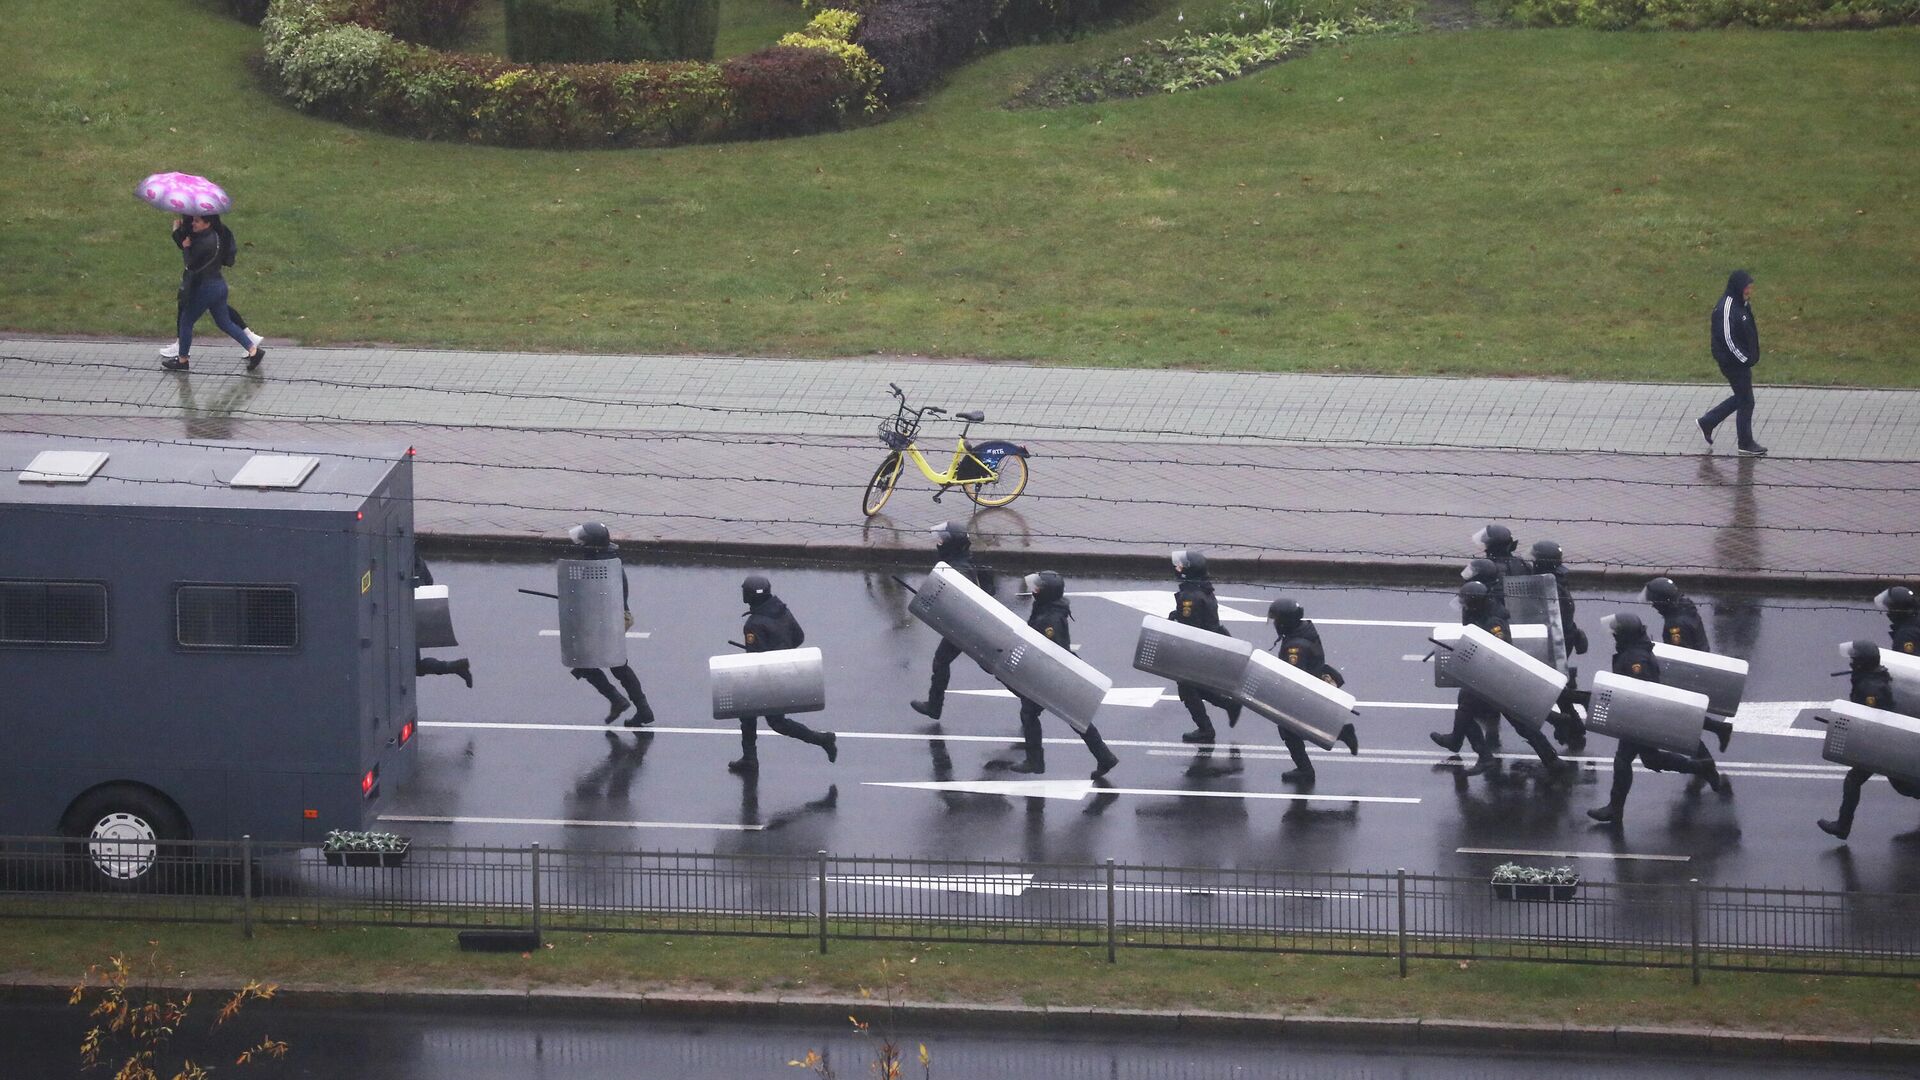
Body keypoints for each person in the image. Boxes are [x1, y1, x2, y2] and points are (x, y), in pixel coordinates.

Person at [1585, 613, 1726, 824]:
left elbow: (1639, 691)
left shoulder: (1636, 659)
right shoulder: (1633, 651)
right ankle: (1701, 767)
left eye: (1617, 633)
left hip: (1639, 717)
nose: (1614, 636)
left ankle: (1615, 809)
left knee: (1623, 760)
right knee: (1651, 760)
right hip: (1638, 716)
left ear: (1625, 635)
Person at [1430, 581, 1574, 779]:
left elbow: (1496, 651)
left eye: (1465, 603)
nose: (1462, 607)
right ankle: (1551, 758)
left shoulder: (1494, 622)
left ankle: (1474, 750)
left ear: (1474, 603)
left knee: (1482, 711)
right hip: (1488, 676)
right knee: (1511, 719)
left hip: (1494, 677)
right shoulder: (1482, 613)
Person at [1007, 571, 1120, 778]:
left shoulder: (1049, 619)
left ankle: (1035, 761)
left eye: (1038, 587)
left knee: (1031, 714)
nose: (1034, 590)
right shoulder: (1047, 609)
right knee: (1075, 718)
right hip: (1053, 674)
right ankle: (1104, 757)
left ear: (1046, 593)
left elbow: (1053, 650)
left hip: (1050, 675)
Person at [728, 575, 837, 775]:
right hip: (785, 673)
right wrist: (783, 652)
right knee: (749, 713)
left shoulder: (753, 625)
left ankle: (822, 739)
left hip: (769, 679)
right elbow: (799, 637)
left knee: (774, 721)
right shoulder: (781, 610)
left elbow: (756, 660)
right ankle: (749, 758)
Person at [1817, 641, 1920, 840]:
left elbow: (1871, 719)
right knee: (1906, 785)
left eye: (1854, 658)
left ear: (1862, 662)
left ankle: (1842, 826)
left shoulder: (1870, 688)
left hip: (1884, 741)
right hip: (1886, 740)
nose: (1851, 661)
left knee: (1861, 780)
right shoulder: (1871, 677)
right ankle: (1842, 826)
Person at [565, 522, 655, 727]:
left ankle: (618, 700)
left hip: (609, 618)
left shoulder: (596, 565)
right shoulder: (606, 560)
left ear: (593, 545)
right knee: (616, 664)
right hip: (616, 616)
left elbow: (591, 597)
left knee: (585, 662)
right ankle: (642, 709)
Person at [1268, 598, 1359, 785]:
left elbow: (1294, 675)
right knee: (1299, 726)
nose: (1275, 624)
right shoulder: (1302, 633)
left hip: (1303, 692)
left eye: (1277, 619)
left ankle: (1306, 770)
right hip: (1311, 686)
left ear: (1286, 621)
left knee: (1289, 729)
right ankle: (1342, 733)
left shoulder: (1296, 647)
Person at [160, 214, 264, 372]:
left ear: (207, 223)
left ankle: (183, 360)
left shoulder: (204, 243)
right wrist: (179, 232)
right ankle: (253, 350)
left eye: (197, 221)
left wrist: (186, 247)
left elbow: (191, 265)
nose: (193, 223)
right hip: (218, 286)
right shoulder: (214, 235)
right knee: (225, 322)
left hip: (205, 288)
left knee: (186, 321)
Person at [1643, 577, 1735, 753]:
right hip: (1699, 663)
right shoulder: (1684, 606)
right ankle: (1717, 733)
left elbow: (1680, 656)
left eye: (1655, 601)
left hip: (1689, 674)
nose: (1653, 606)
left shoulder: (1675, 625)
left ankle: (1704, 761)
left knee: (1681, 718)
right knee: (1685, 716)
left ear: (1664, 602)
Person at [911, 521, 990, 721]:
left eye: (941, 540)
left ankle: (934, 706)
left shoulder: (958, 571)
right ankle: (934, 706)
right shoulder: (960, 562)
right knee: (943, 660)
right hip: (968, 626)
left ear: (951, 545)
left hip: (966, 628)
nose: (938, 543)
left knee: (992, 667)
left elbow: (962, 603)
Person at [1167, 549, 1241, 744]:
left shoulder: (1190, 597)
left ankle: (1205, 729)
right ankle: (1229, 705)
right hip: (1211, 643)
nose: (1177, 567)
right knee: (1196, 686)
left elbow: (1189, 629)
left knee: (1186, 687)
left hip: (1199, 648)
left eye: (1181, 565)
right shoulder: (1203, 588)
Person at [1696, 269, 1766, 456]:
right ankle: (1745, 442)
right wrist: (1745, 359)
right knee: (1746, 400)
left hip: (1740, 361)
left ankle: (1707, 422)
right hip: (1732, 363)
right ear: (1738, 287)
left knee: (1742, 398)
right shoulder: (1726, 308)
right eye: (1747, 287)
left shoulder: (1742, 304)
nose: (1749, 291)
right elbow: (1727, 340)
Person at [1531, 539, 1589, 751]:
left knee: (1542, 686)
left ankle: (1571, 718)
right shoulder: (1556, 580)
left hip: (1555, 642)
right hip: (1562, 640)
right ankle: (1574, 725)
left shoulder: (1549, 586)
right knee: (1554, 683)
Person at [410, 554, 471, 687]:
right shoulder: (418, 561)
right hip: (415, 616)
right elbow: (429, 583)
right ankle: (453, 666)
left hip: (402, 621)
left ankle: (454, 666)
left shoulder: (402, 559)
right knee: (415, 666)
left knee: (414, 667)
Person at [1877, 586, 1920, 657]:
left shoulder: (1906, 635)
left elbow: (1907, 662)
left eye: (1890, 608)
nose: (1888, 612)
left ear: (1897, 610)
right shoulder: (1915, 620)